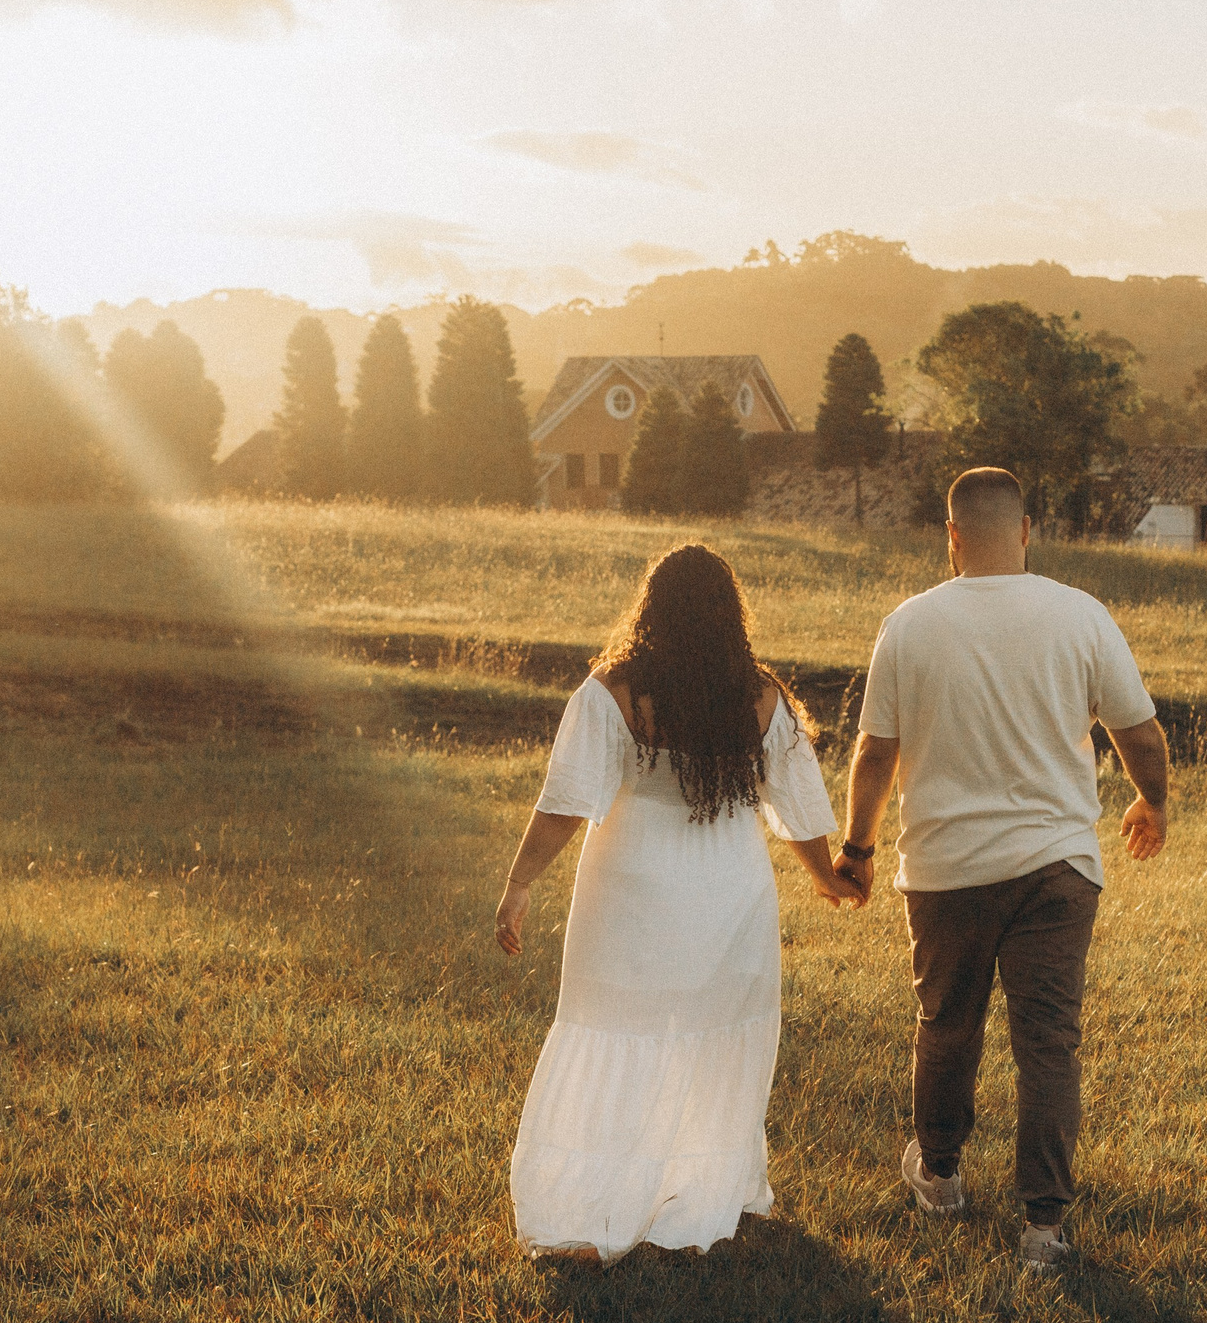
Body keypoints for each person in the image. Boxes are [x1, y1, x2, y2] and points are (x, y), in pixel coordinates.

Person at [834, 467, 1168, 1273]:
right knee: (1048, 1045)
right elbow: (1140, 732)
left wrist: (858, 849)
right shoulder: (1080, 614)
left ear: (950, 537)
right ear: (1026, 531)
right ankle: (1045, 1230)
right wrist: (1152, 802)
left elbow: (876, 751)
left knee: (947, 1027)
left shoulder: (909, 625)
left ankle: (941, 1178)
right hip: (1057, 868)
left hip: (945, 870)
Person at [495, 543, 862, 1261]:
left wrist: (520, 883)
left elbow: (566, 805)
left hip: (631, 883)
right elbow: (803, 809)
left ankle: (598, 1201)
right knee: (710, 1038)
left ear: (650, 609)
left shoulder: (614, 692)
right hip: (728, 890)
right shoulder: (761, 698)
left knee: (617, 1029)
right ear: (732, 615)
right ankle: (701, 1190)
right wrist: (825, 875)